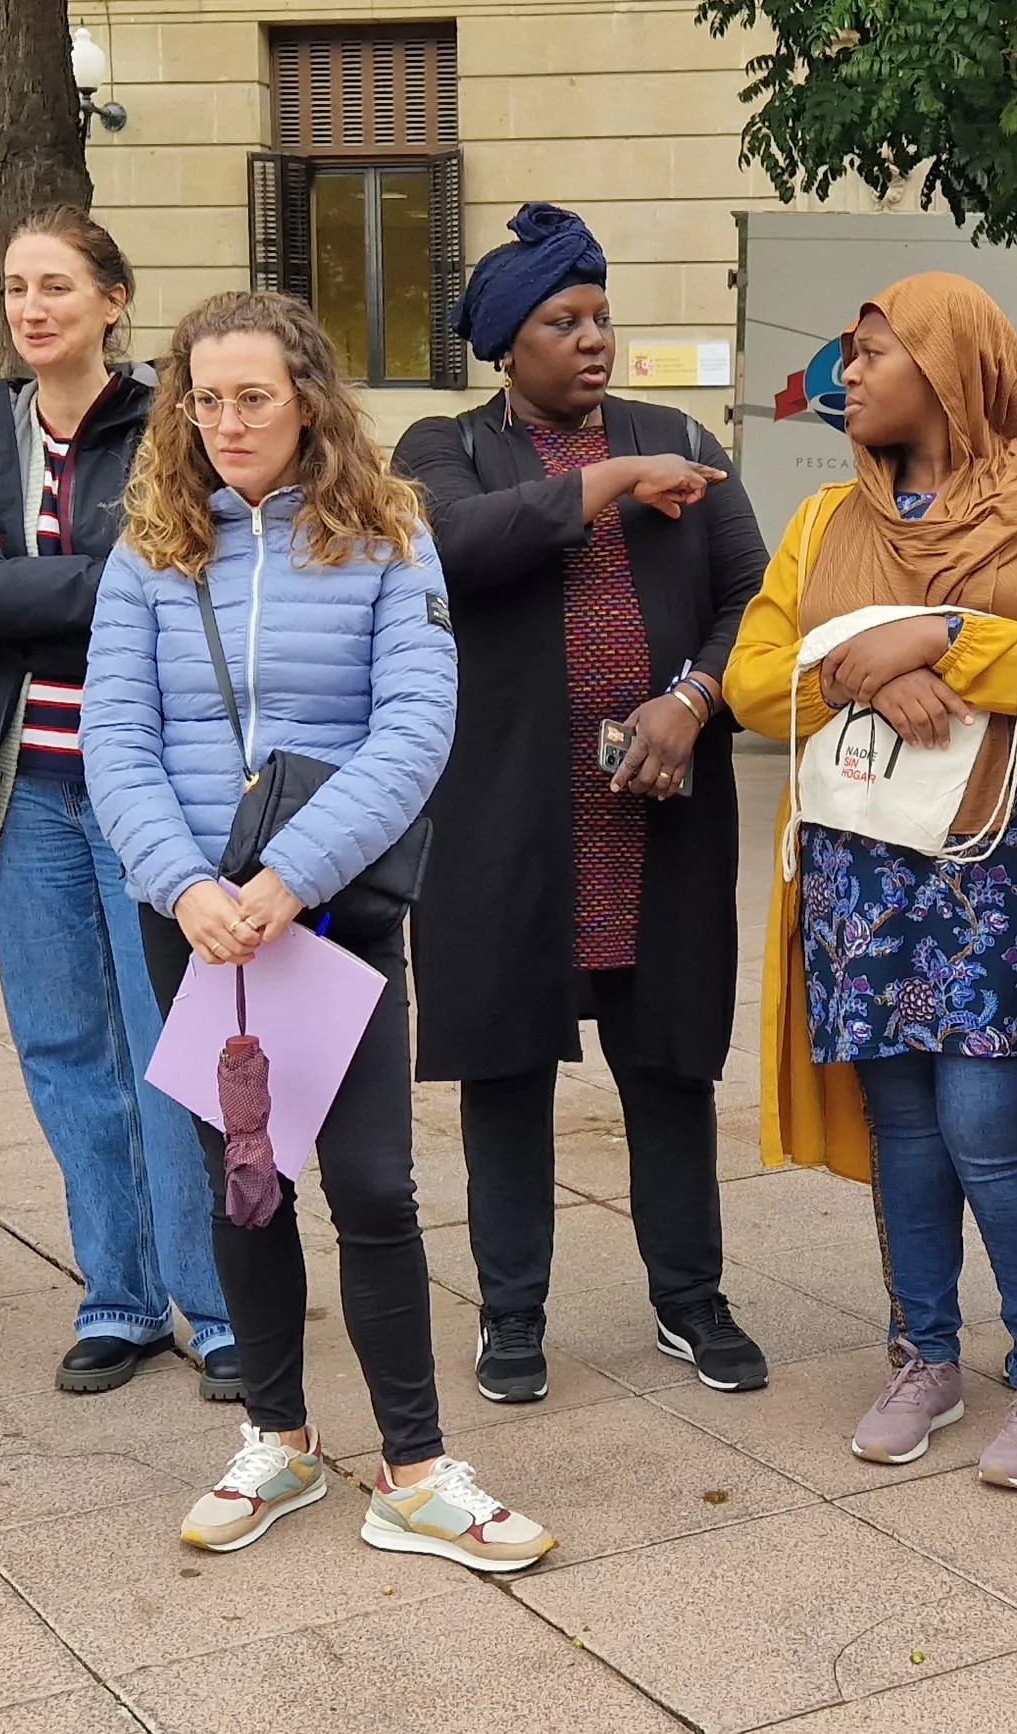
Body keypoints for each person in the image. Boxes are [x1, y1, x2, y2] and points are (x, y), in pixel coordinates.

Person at [86, 289, 555, 1573]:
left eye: (253, 396)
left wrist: (289, 877)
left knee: (371, 1184)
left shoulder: (388, 533)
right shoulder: (149, 549)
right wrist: (185, 885)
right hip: (194, 918)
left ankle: (412, 1470)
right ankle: (276, 1439)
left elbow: (413, 730)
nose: (225, 421)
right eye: (205, 397)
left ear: (308, 400)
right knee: (244, 1186)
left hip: (329, 910)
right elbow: (115, 738)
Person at [724, 271, 1017, 1491]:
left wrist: (949, 640)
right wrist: (864, 665)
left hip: (1001, 867)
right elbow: (756, 679)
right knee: (900, 1118)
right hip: (861, 864)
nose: (845, 376)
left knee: (987, 1123)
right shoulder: (823, 524)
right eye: (847, 358)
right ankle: (923, 1355)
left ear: (950, 368)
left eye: (871, 353)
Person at [398, 203, 773, 1401]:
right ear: (510, 345)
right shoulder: (441, 446)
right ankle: (511, 1316)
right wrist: (610, 480)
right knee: (504, 1073)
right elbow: (451, 547)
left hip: (655, 818)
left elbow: (753, 596)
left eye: (601, 317)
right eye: (563, 322)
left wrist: (694, 700)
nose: (593, 339)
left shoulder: (682, 434)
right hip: (510, 826)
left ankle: (691, 1301)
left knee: (667, 1069)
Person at [0, 206, 233, 1401]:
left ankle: (212, 1308)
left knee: (174, 1051)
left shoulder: (172, 422)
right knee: (63, 1051)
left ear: (113, 298)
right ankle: (116, 1296)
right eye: (13, 287)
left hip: (146, 789)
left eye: (57, 285)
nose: (32, 307)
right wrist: (92, 584)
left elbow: (182, 566)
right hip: (23, 791)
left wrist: (30, 581)